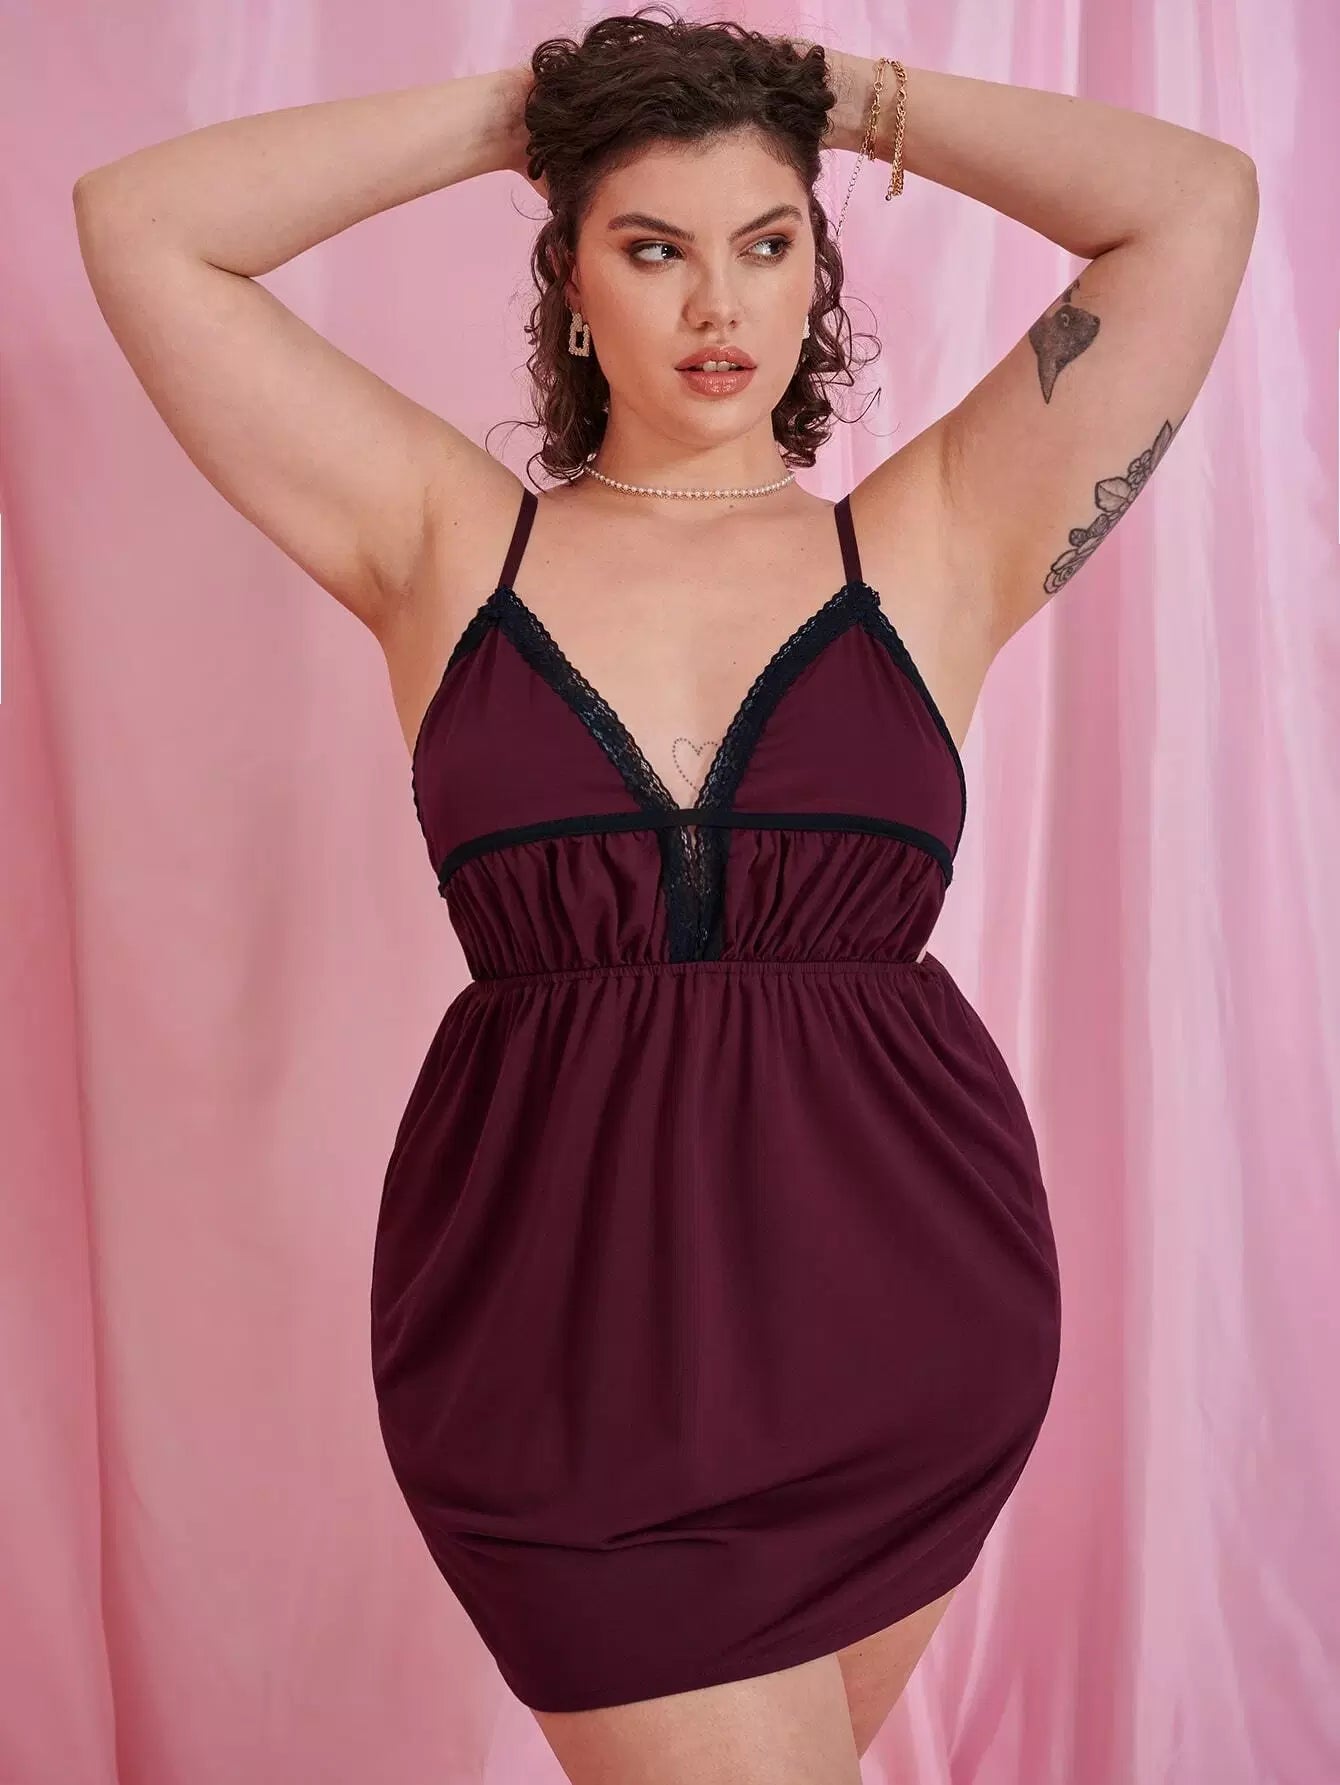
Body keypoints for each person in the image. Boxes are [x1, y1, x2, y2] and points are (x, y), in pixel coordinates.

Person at [73, 7, 1257, 1780]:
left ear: (817, 270)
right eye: (653, 247)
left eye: (767, 244)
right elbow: (143, 225)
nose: (721, 302)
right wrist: (541, 111)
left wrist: (823, 96)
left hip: (902, 1333)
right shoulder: (445, 541)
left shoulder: (934, 536)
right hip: (559, 1370)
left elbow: (1194, 202)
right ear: (570, 275)